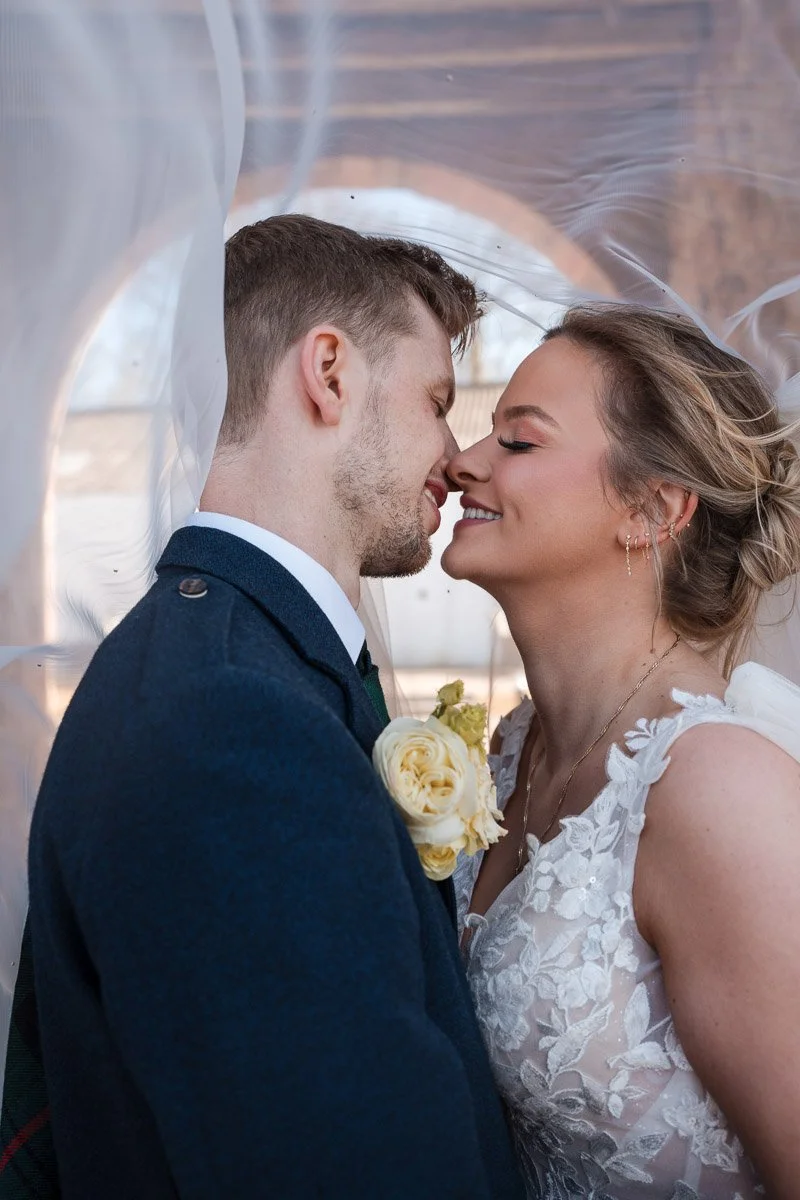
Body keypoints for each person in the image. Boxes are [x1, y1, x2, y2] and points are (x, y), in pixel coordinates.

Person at [8, 216, 524, 1199]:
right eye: (435, 401)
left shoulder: (230, 665)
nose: (454, 456)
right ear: (327, 371)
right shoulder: (228, 725)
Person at [442, 303, 800, 1199]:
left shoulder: (718, 788)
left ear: (651, 509)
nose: (462, 464)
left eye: (517, 444)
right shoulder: (510, 749)